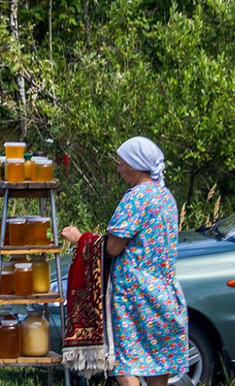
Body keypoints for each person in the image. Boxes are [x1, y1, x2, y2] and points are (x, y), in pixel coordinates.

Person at [61, 136, 189, 386]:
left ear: (135, 165)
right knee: (157, 361)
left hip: (134, 294)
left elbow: (112, 247)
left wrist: (80, 239)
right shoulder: (166, 197)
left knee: (122, 360)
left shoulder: (136, 198)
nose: (119, 168)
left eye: (122, 163)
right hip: (164, 290)